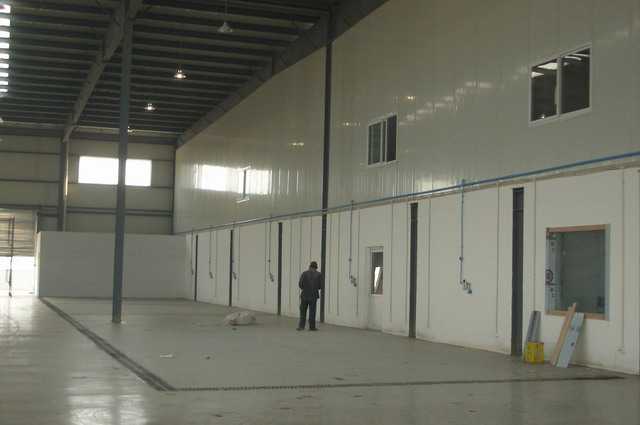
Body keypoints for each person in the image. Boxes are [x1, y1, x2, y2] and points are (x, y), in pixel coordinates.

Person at [297, 261, 322, 331]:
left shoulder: (304, 273)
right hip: (313, 296)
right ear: (316, 267)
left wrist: (305, 288)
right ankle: (312, 327)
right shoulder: (319, 274)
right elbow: (320, 286)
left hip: (304, 295)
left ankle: (301, 326)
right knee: (312, 312)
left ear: (310, 266)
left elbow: (300, 284)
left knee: (303, 311)